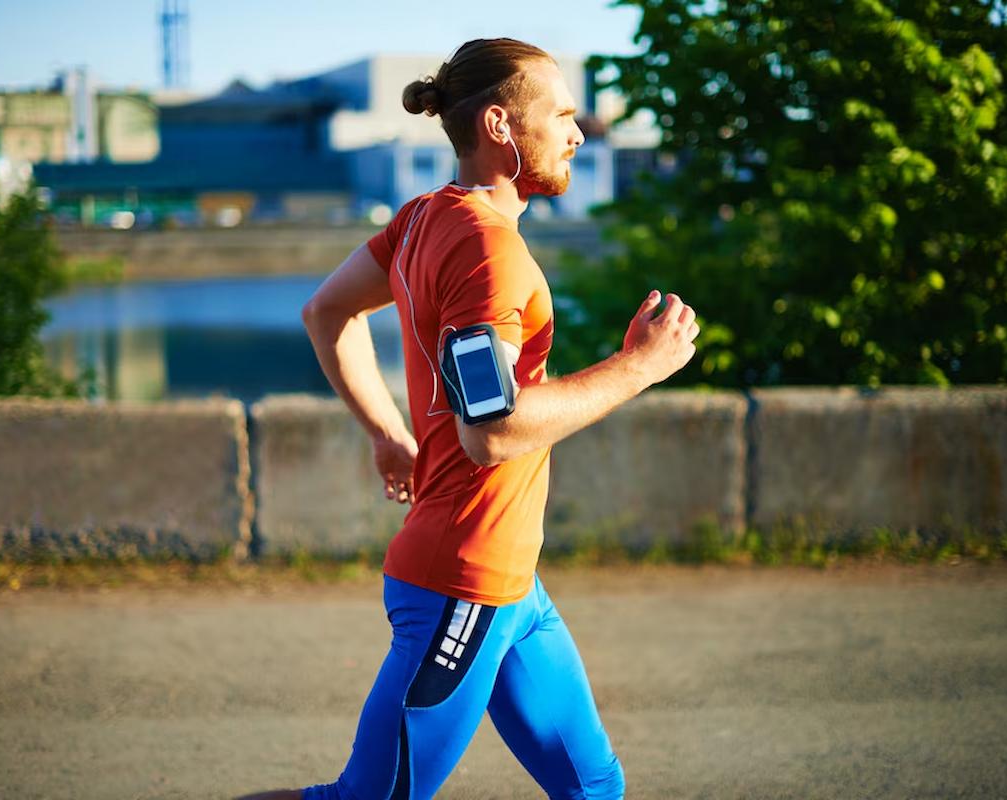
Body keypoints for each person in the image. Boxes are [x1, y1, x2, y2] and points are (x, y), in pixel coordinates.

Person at [240, 37, 699, 800]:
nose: (577, 133)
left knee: (595, 792)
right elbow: (490, 431)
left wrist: (390, 435)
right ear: (498, 126)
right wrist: (639, 367)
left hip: (512, 585)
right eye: (560, 115)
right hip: (465, 583)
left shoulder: (423, 218)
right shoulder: (490, 253)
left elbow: (327, 313)